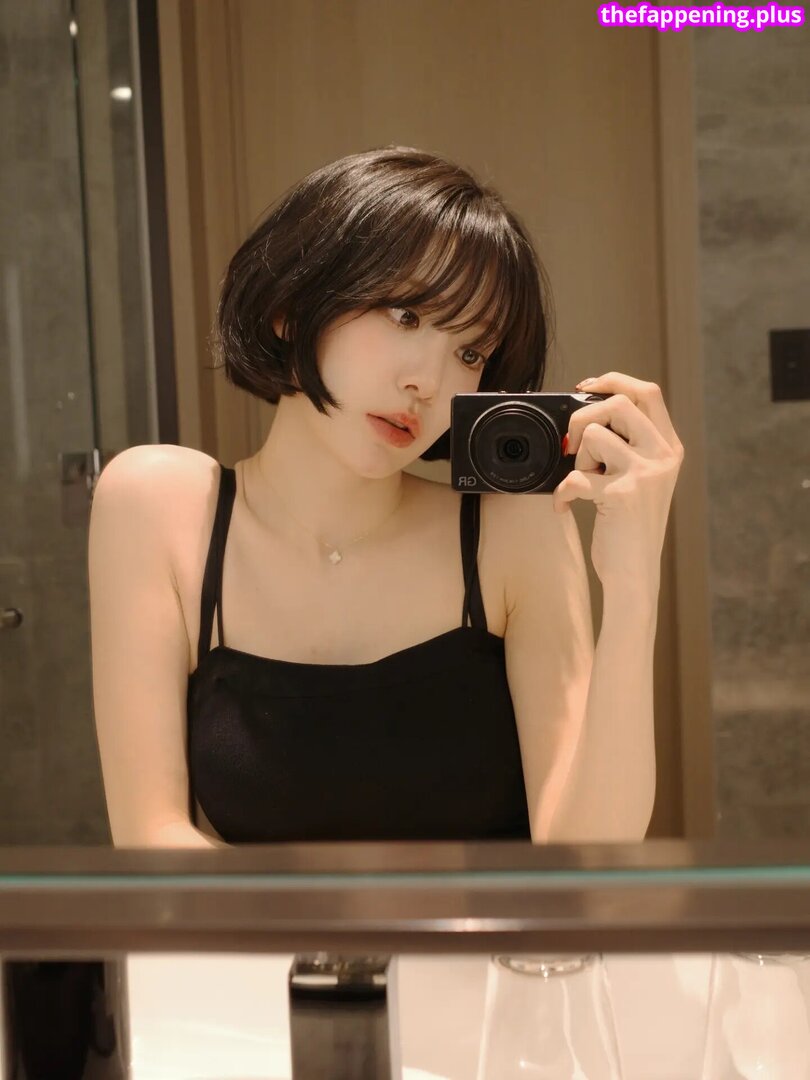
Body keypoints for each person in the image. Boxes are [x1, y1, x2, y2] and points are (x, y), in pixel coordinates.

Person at [88, 146, 684, 849]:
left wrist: (635, 584)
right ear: (290, 307)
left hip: (484, 933)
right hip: (261, 932)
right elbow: (152, 836)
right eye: (405, 315)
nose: (428, 382)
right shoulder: (158, 507)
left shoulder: (510, 527)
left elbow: (587, 854)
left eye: (470, 353)